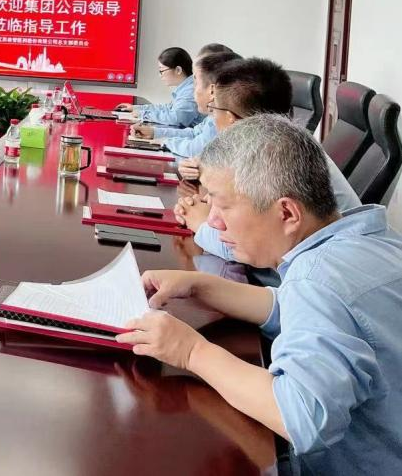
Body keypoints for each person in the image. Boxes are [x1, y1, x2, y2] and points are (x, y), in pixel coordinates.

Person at [118, 115, 402, 474]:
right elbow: (309, 314)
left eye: (223, 206)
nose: (213, 221)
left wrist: (191, 351)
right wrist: (203, 286)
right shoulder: (367, 241)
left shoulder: (315, 282)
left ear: (287, 212)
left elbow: (303, 417)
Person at [174, 57, 361, 263]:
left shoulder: (275, 160)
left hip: (315, 265)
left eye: (213, 109)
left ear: (231, 119)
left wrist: (199, 223)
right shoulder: (281, 144)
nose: (212, 118)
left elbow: (246, 246)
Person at [131, 51, 241, 160]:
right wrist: (155, 132)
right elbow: (193, 133)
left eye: (196, 82)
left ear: (212, 90)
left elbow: (194, 147)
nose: (193, 88)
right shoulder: (213, 115)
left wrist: (165, 141)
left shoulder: (220, 117)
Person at [115, 47, 200, 129]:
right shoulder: (186, 87)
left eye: (161, 71)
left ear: (178, 70)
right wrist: (136, 108)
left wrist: (143, 114)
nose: (160, 75)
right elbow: (167, 108)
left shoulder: (190, 90)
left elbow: (177, 119)